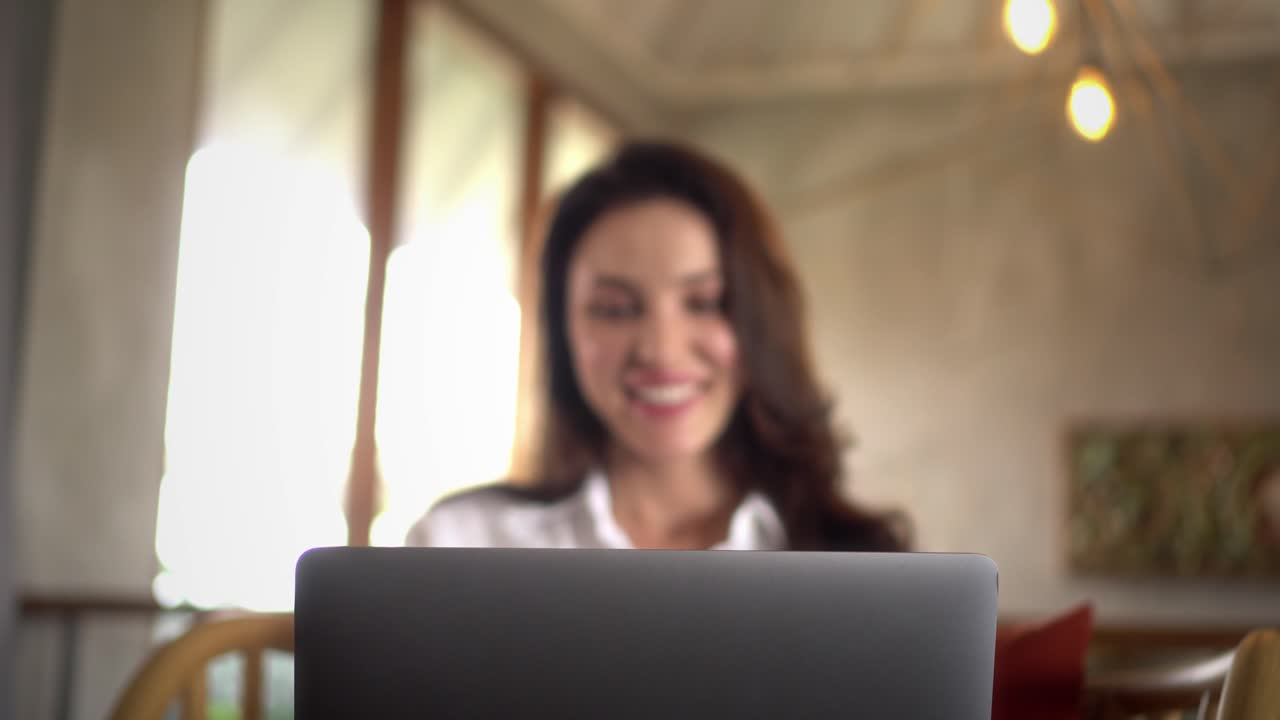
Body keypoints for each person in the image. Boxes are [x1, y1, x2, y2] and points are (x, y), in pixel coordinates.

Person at [405, 140, 907, 552]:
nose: (661, 350)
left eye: (705, 301)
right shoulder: (462, 546)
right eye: (615, 309)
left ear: (760, 321)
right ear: (563, 334)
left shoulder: (863, 562)